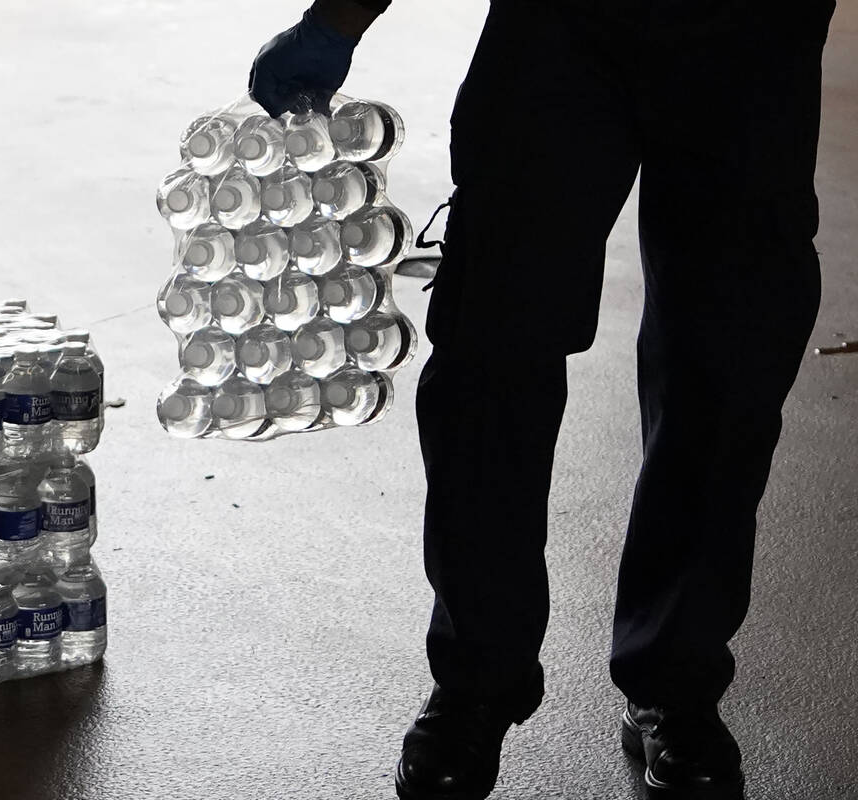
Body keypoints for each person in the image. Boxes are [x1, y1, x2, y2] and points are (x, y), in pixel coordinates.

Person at [249, 0, 837, 798]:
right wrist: (343, 15)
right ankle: (476, 680)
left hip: (754, 37)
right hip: (562, 24)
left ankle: (676, 679)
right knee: (492, 346)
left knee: (727, 364)